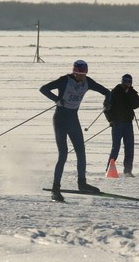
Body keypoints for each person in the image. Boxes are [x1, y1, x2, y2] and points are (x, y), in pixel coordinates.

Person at [40, 60, 111, 202]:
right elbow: (43, 89)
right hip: (60, 120)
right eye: (79, 74)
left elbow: (107, 92)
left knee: (81, 152)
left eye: (84, 74)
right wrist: (56, 99)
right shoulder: (64, 80)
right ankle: (55, 189)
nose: (81, 77)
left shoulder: (88, 82)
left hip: (73, 120)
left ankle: (82, 183)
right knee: (63, 154)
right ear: (74, 72)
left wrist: (107, 103)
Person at [104, 74, 139, 177]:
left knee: (129, 148)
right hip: (117, 124)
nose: (127, 84)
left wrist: (129, 93)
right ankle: (109, 169)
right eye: (125, 82)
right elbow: (106, 108)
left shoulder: (132, 92)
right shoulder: (115, 92)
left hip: (128, 124)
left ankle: (128, 171)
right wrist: (110, 120)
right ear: (122, 82)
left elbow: (136, 105)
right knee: (115, 148)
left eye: (129, 82)